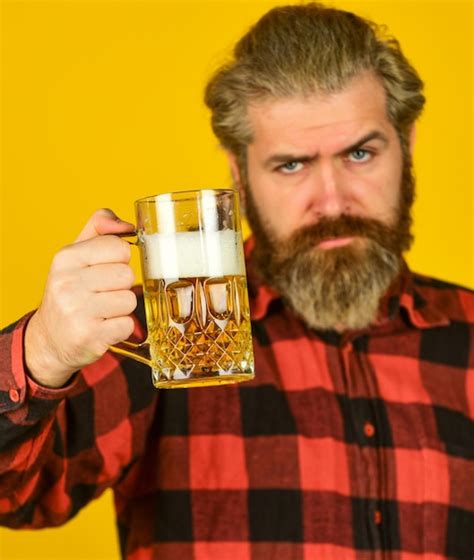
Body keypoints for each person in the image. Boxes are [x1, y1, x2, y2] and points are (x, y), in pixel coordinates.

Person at [1, 3, 473, 559]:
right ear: (238, 171)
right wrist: (43, 353)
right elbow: (17, 497)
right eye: (291, 165)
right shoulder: (169, 330)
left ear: (408, 145)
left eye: (360, 153)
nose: (332, 199)